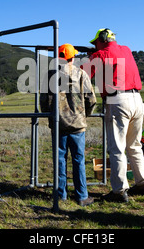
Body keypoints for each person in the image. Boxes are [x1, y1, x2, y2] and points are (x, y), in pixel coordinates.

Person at [81, 28, 144, 203]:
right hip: (137, 100)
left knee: (117, 148)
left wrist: (88, 57)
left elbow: (83, 74)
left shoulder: (100, 55)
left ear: (102, 40)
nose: (94, 45)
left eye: (96, 42)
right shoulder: (126, 49)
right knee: (134, 145)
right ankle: (142, 183)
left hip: (118, 100)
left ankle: (119, 191)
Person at [40, 43, 97, 206]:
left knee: (60, 160)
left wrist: (48, 115)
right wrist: (85, 115)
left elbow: (44, 100)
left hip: (58, 123)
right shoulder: (81, 74)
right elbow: (91, 100)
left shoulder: (50, 75)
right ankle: (81, 196)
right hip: (78, 124)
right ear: (73, 57)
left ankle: (61, 195)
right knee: (79, 160)